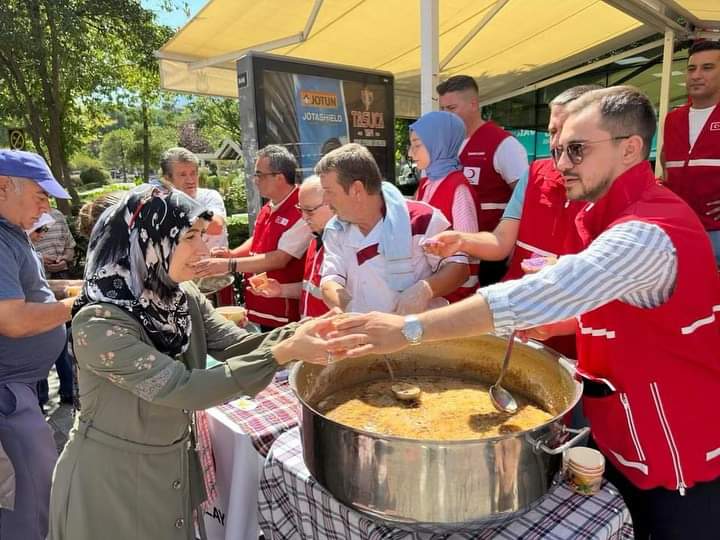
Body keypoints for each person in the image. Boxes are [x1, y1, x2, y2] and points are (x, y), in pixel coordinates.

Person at [328, 86, 720, 540]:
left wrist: (409, 328)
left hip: (675, 448)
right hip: (624, 433)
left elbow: (538, 293)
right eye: (557, 149)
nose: (561, 163)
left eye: (576, 149)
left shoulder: (648, 231)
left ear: (630, 149)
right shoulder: (611, 215)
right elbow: (635, 311)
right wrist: (567, 323)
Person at [48, 186, 335, 540]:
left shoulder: (181, 295)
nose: (204, 248)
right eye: (190, 236)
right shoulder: (99, 322)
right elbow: (181, 388)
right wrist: (283, 352)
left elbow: (238, 345)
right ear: (148, 240)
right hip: (112, 480)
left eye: (202, 235)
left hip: (172, 467)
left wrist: (305, 330)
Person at [0, 150, 74, 540]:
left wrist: (74, 289)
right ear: (2, 186)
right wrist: (78, 304)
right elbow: (12, 319)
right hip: (8, 396)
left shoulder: (12, 233)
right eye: (40, 195)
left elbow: (35, 293)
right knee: (27, 497)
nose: (46, 205)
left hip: (19, 390)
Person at [317, 143, 469, 315]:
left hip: (420, 334)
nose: (324, 200)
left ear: (356, 190)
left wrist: (425, 289)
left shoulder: (422, 218)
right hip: (365, 335)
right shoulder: (335, 229)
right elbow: (330, 282)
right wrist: (350, 308)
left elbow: (459, 268)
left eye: (329, 191)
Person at [200, 145, 312, 330]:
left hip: (284, 313)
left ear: (280, 177)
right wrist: (232, 254)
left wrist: (230, 265)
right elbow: (258, 239)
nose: (255, 180)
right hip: (262, 305)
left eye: (260, 175)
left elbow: (279, 259)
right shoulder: (270, 206)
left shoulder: (301, 209)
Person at [437, 75, 529, 285]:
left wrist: (515, 245)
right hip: (451, 251)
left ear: (473, 104)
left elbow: (527, 196)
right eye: (442, 109)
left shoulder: (503, 144)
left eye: (451, 108)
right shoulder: (445, 143)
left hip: (490, 253)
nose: (446, 116)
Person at [409, 111, 479, 302]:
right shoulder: (426, 183)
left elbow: (468, 247)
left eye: (417, 145)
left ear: (438, 144)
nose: (410, 152)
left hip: (455, 293)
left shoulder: (458, 188)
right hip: (432, 286)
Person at [662, 40, 720, 265]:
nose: (696, 75)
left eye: (707, 68)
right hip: (679, 229)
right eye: (691, 68)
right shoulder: (673, 119)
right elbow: (667, 165)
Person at [256, 175, 334, 319]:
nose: (304, 217)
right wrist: (281, 290)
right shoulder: (314, 241)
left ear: (333, 204)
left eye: (310, 210)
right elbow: (311, 288)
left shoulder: (347, 249)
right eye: (300, 210)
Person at [28, 215, 75, 407]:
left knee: (62, 353)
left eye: (45, 230)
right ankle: (40, 399)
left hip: (51, 312)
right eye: (40, 230)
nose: (42, 235)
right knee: (39, 359)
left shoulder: (30, 251)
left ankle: (67, 392)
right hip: (35, 316)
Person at [160, 147, 229, 252]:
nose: (190, 180)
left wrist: (181, 201)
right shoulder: (161, 205)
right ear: (167, 179)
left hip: (212, 266)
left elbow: (216, 226)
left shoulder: (210, 196)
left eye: (193, 173)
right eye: (183, 175)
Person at [31, 207, 76, 279]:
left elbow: (69, 246)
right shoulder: (16, 218)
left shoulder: (57, 215)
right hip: (35, 278)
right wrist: (39, 259)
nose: (42, 236)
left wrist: (64, 259)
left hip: (62, 276)